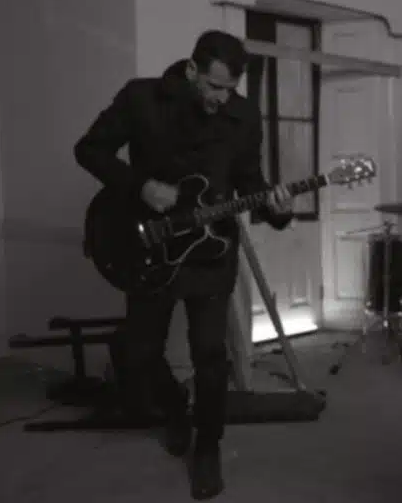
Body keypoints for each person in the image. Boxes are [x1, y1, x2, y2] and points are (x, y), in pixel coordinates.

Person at [74, 30, 294, 500]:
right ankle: (177, 410)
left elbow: (249, 180)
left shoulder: (243, 115)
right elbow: (88, 149)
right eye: (214, 87)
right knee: (140, 352)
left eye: (230, 90)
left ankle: (208, 447)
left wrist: (278, 208)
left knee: (210, 355)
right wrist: (140, 186)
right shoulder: (141, 98)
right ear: (192, 70)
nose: (221, 99)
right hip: (150, 245)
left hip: (211, 251)